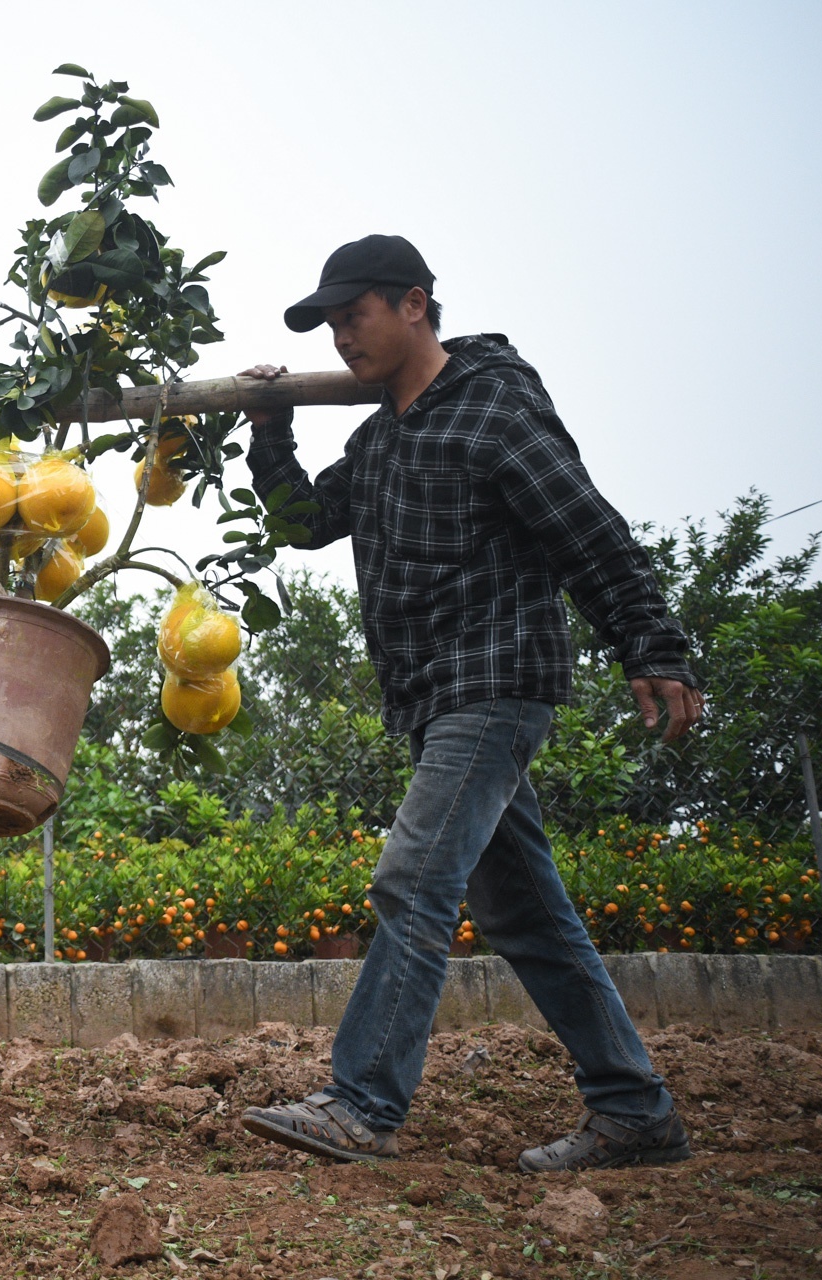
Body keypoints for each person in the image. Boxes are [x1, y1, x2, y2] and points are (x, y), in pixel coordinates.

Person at [235, 235, 703, 1172]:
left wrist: (649, 641)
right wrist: (271, 423)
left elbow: (588, 530)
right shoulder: (378, 441)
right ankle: (634, 1109)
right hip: (433, 699)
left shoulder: (492, 408)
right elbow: (303, 523)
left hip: (497, 684)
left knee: (412, 877)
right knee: (526, 913)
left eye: (352, 315)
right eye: (328, 323)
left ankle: (363, 1102)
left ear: (414, 305)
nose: (340, 337)